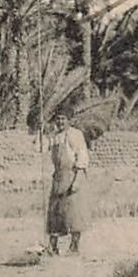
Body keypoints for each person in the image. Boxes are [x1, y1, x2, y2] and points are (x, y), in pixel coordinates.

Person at [45, 108, 90, 255]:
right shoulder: (55, 136)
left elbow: (82, 156)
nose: (60, 122)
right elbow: (42, 148)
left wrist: (76, 181)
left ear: (69, 120)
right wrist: (41, 133)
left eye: (63, 119)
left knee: (73, 213)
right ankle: (53, 247)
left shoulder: (75, 135)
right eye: (58, 119)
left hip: (72, 175)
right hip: (58, 177)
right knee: (55, 212)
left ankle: (74, 247)